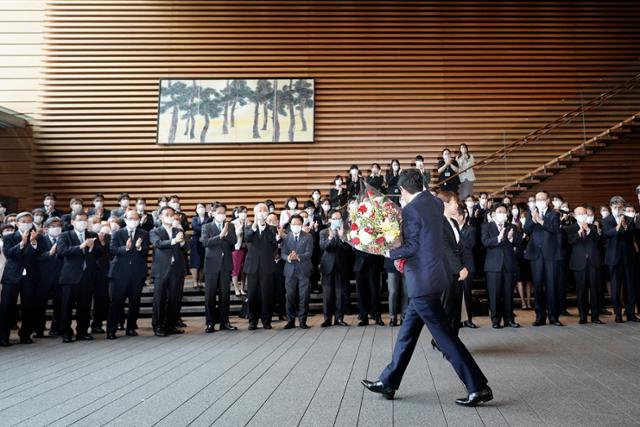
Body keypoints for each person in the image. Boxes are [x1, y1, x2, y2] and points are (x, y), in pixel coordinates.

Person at [361, 168, 492, 407]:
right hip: (434, 276)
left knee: (445, 338)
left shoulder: (411, 209)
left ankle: (478, 387)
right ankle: (388, 381)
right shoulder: (433, 201)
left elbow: (411, 247)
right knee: (407, 335)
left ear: (402, 190)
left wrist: (386, 250)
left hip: (422, 281)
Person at [57, 211, 104, 343]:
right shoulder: (65, 235)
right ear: (73, 222)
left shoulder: (92, 235)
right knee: (66, 306)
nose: (83, 222)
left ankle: (82, 331)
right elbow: (62, 251)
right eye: (80, 220)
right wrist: (81, 246)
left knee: (85, 306)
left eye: (85, 220)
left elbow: (100, 252)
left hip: (87, 276)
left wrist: (93, 246)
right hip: (70, 277)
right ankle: (66, 332)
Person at [0, 212, 45, 346]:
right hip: (12, 276)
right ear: (18, 223)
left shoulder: (38, 237)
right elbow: (9, 254)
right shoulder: (9, 237)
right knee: (7, 307)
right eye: (24, 221)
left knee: (29, 307)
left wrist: (33, 242)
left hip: (30, 277)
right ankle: (3, 336)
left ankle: (25, 334)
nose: (27, 223)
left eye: (29, 221)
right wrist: (22, 243)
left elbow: (41, 254)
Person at [106, 209, 149, 339]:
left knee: (134, 302)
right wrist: (126, 248)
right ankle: (111, 330)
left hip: (136, 273)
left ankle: (131, 328)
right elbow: (112, 250)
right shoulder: (117, 233)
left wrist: (140, 247)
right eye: (131, 218)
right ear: (125, 220)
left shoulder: (144, 233)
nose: (133, 221)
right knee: (116, 302)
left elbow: (146, 252)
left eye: (136, 219)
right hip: (119, 273)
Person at [524, 191, 562, 326]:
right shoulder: (531, 213)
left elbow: (555, 229)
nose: (539, 201)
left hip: (550, 254)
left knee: (552, 285)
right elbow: (526, 229)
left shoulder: (554, 214)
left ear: (547, 201)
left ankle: (553, 316)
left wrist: (541, 221)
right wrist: (534, 220)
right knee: (538, 285)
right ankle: (540, 316)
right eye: (537, 199)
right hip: (536, 254)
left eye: (541, 199)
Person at [150, 205, 188, 337]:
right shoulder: (155, 231)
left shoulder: (178, 230)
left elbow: (186, 247)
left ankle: (171, 325)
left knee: (175, 299)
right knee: (159, 298)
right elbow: (157, 244)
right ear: (160, 217)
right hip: (161, 269)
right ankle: (158, 326)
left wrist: (182, 242)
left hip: (177, 269)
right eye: (167, 214)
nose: (170, 217)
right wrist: (173, 241)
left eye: (172, 215)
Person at [482, 204, 521, 328]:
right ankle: (495, 320)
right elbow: (485, 242)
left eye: (504, 212)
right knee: (494, 294)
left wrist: (510, 239)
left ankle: (509, 319)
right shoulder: (486, 226)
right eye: (499, 211)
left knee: (508, 293)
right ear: (493, 214)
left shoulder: (512, 227)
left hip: (509, 265)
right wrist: (498, 238)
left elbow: (519, 242)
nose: (502, 214)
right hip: (493, 266)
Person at [201, 202, 238, 333]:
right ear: (212, 214)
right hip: (211, 265)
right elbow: (205, 242)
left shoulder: (230, 225)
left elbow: (234, 242)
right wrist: (220, 236)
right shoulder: (206, 227)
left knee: (225, 295)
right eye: (219, 213)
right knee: (210, 296)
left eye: (223, 213)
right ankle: (210, 323)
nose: (221, 215)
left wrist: (226, 234)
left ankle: (225, 322)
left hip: (225, 264)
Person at [437, 191, 469, 337]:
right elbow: (444, 247)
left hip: (457, 270)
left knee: (456, 307)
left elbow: (458, 247)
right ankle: (442, 340)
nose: (458, 205)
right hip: (446, 271)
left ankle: (453, 339)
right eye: (455, 202)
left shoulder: (454, 221)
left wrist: (464, 266)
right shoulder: (438, 221)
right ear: (445, 204)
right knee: (446, 307)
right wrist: (459, 267)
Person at [602, 196, 639, 323]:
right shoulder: (607, 220)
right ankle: (618, 314)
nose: (618, 209)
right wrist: (617, 228)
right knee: (616, 287)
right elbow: (605, 234)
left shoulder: (629, 219)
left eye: (620, 207)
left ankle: (630, 314)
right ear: (611, 207)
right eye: (615, 207)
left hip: (628, 257)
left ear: (623, 207)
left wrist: (625, 227)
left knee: (630, 286)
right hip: (614, 258)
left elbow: (633, 233)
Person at [244, 203, 278, 330]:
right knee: (252, 294)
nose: (262, 213)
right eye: (259, 211)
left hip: (267, 265)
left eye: (264, 211)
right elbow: (247, 238)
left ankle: (266, 320)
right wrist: (255, 226)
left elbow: (273, 242)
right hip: (252, 265)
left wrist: (264, 226)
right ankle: (253, 321)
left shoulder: (272, 228)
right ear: (255, 213)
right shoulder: (248, 227)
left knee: (266, 294)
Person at [567, 206, 603, 324]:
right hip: (579, 263)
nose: (582, 215)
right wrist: (578, 233)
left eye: (584, 213)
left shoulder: (592, 226)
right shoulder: (571, 228)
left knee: (595, 290)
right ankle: (583, 316)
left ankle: (595, 317)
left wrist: (587, 230)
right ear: (575, 215)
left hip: (593, 262)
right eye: (580, 213)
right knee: (581, 291)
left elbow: (598, 239)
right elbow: (570, 242)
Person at [319, 209, 350, 327]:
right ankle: (327, 319)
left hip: (341, 267)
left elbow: (349, 250)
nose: (337, 220)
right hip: (327, 267)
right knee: (327, 295)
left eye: (339, 218)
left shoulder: (346, 232)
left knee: (340, 294)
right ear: (330, 219)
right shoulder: (324, 232)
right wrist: (330, 238)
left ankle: (339, 319)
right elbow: (323, 247)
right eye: (335, 218)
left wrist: (342, 238)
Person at [281, 214, 313, 329]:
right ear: (290, 225)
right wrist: (289, 257)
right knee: (290, 296)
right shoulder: (286, 237)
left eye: (298, 224)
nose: (296, 226)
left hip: (303, 270)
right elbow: (283, 254)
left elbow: (309, 253)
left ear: (302, 224)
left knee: (304, 296)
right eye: (294, 224)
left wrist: (297, 256)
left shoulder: (308, 236)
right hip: (289, 271)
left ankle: (302, 321)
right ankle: (290, 320)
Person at [189, 203, 210, 289]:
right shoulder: (194, 219)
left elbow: (210, 228)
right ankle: (194, 281)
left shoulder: (209, 218)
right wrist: (204, 229)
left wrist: (204, 229)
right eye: (199, 207)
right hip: (195, 242)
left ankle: (200, 281)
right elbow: (195, 227)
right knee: (194, 261)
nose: (201, 209)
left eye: (202, 207)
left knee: (202, 262)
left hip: (205, 242)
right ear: (196, 210)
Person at [231, 206, 249, 296]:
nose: (244, 213)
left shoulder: (248, 222)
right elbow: (233, 236)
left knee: (244, 269)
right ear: (237, 213)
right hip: (237, 248)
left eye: (245, 212)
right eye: (242, 212)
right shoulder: (233, 223)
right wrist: (239, 229)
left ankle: (242, 288)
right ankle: (236, 289)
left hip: (246, 248)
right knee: (236, 269)